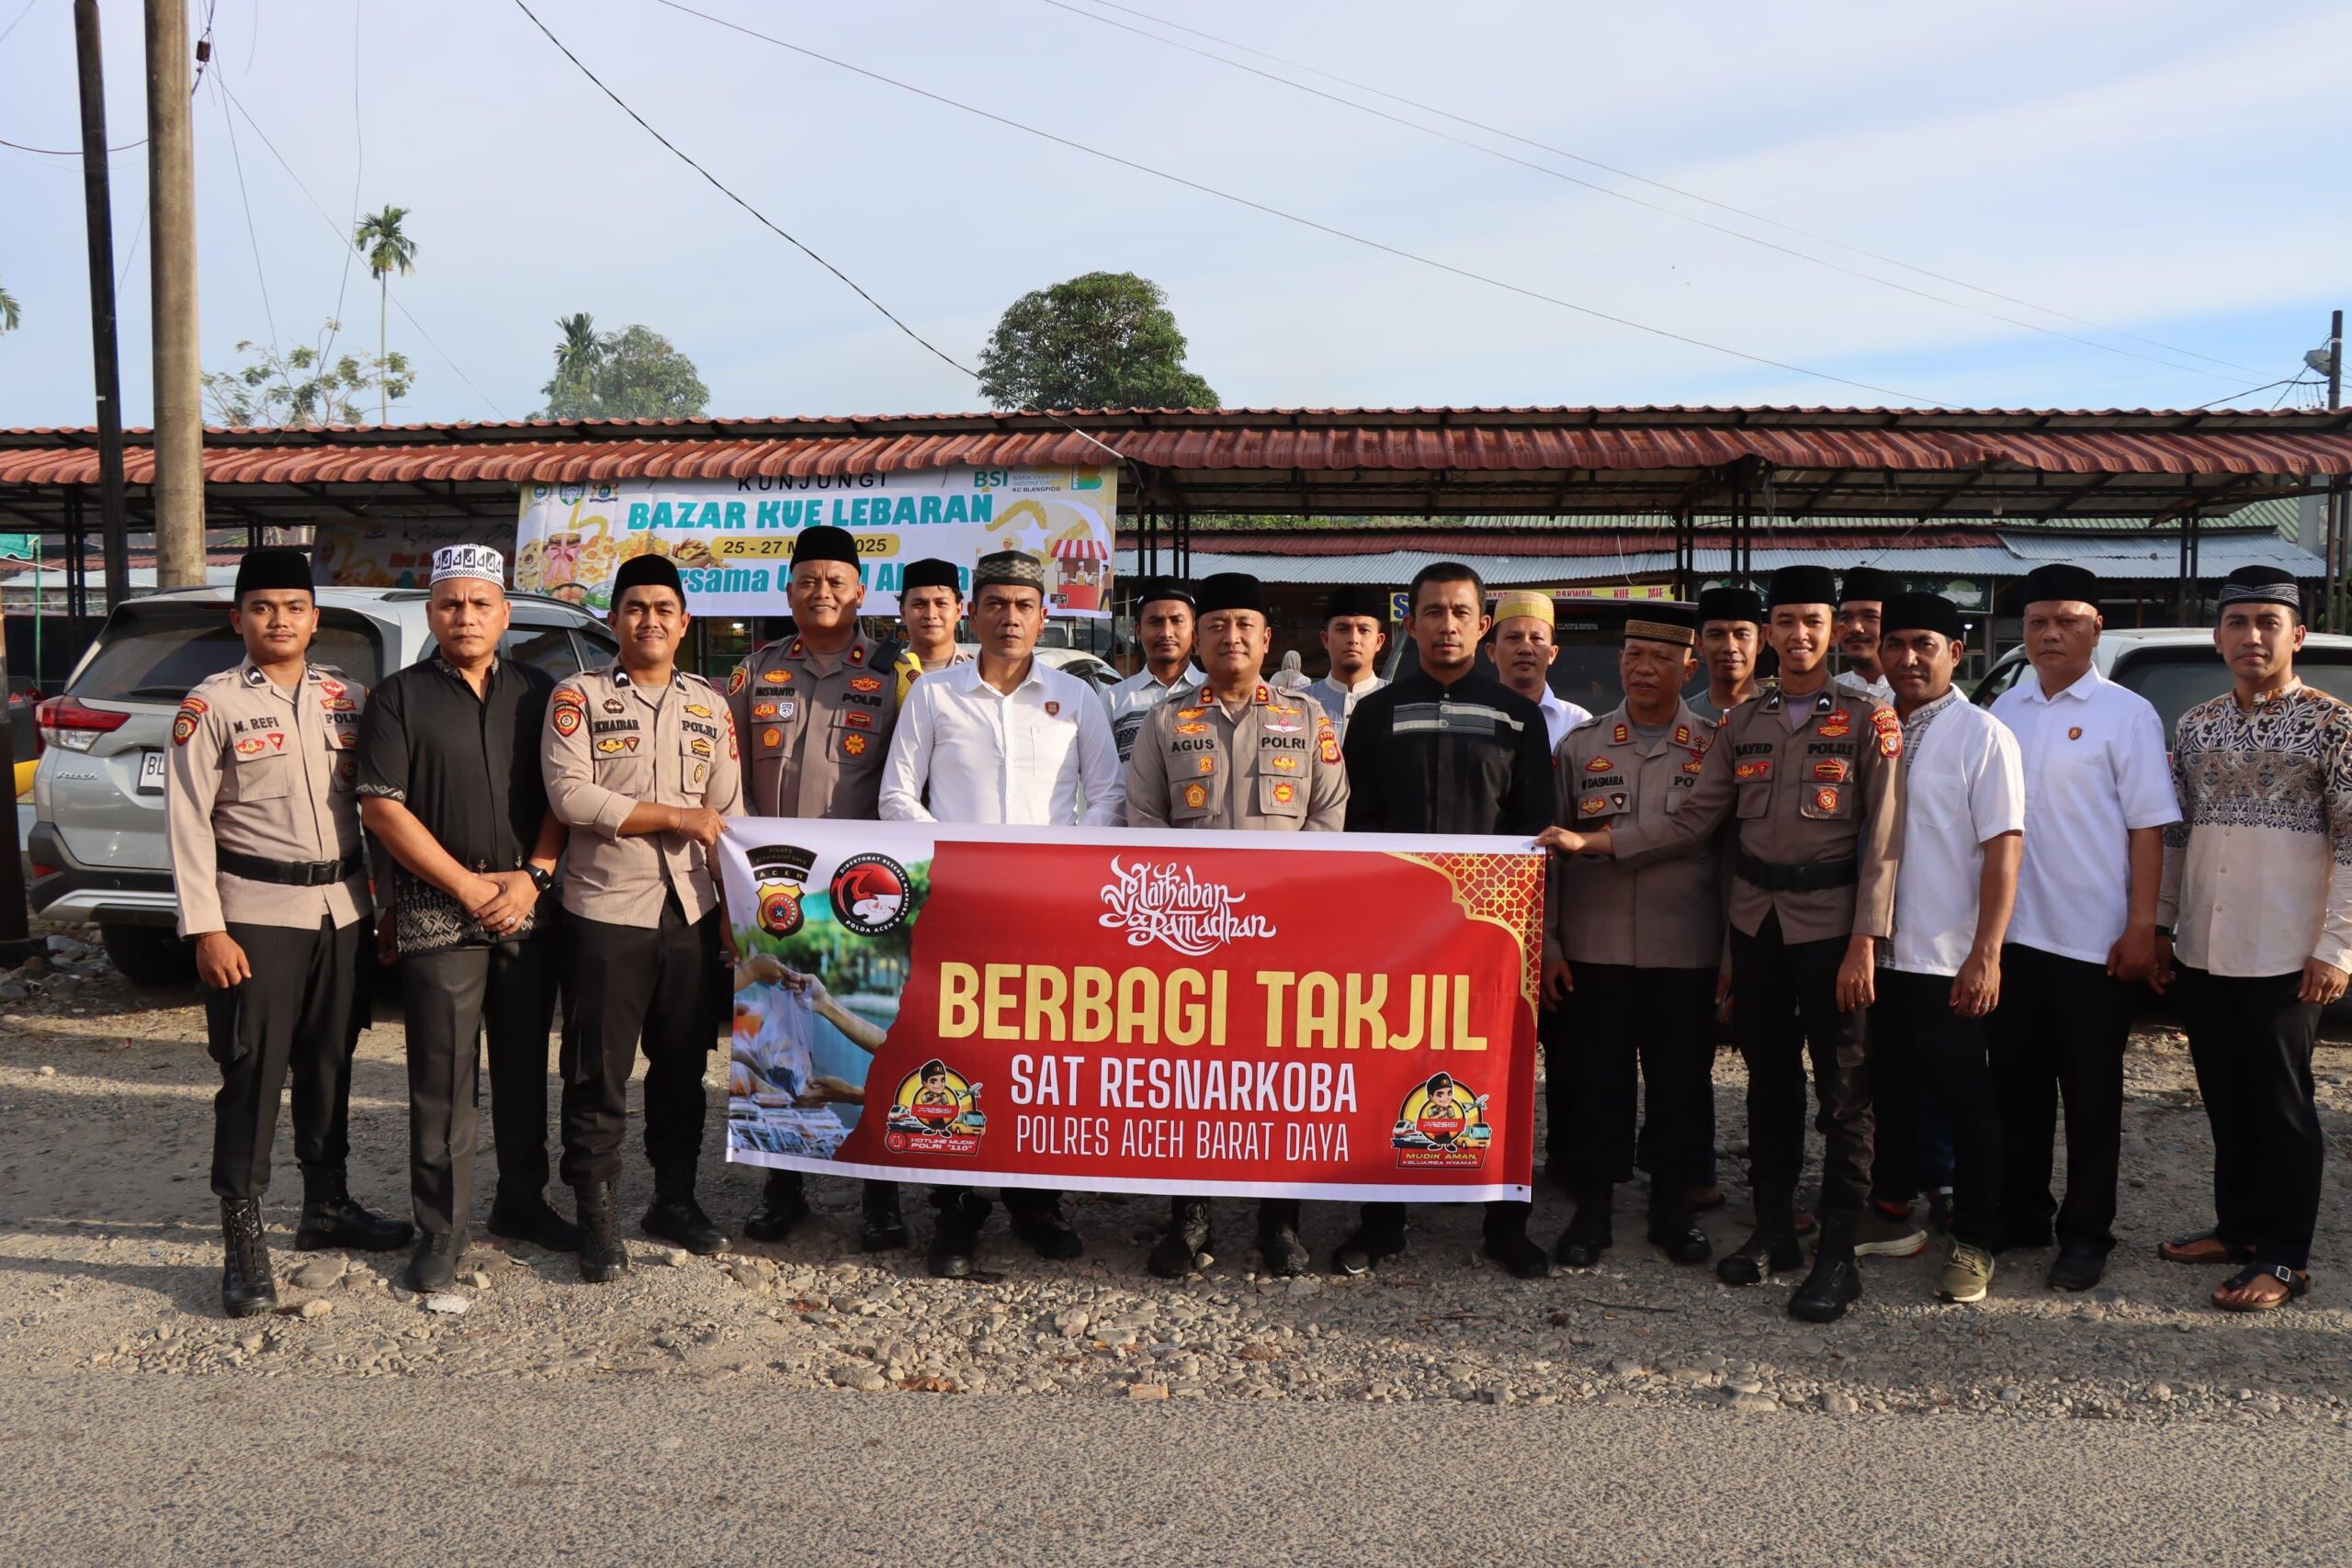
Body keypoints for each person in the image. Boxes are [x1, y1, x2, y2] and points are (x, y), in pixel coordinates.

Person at [1542, 564, 1903, 1323]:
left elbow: (1885, 838)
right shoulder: (1744, 725)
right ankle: (1776, 1231)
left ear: (1833, 631)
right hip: (1758, 922)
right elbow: (1693, 822)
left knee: (1842, 1091)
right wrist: (1595, 844)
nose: (1799, 636)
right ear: (1767, 634)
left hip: (1834, 924)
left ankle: (1837, 1250)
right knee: (1770, 1081)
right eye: (1787, 623)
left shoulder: (1868, 718)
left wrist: (1867, 939)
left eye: (1814, 623)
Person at [166, 547, 411, 1317]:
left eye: (294, 606)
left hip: (340, 909)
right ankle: (242, 1241)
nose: (280, 620)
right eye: (263, 606)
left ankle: (326, 1205)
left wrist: (388, 904)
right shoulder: (210, 707)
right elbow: (186, 826)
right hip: (254, 918)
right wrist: (206, 928)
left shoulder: (349, 696)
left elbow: (374, 811)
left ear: (314, 617)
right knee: (251, 1076)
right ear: (237, 618)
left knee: (330, 1064)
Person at [880, 549, 1124, 1276]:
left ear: (1043, 615)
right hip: (959, 905)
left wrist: (1060, 866)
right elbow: (898, 795)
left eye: (1024, 605)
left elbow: (1107, 795)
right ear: (972, 612)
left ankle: (1035, 1197)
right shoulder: (934, 693)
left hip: (1050, 907)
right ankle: (955, 1205)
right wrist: (956, 862)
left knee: (1039, 1051)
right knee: (954, 1045)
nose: (1010, 617)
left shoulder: (1076, 697)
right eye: (996, 604)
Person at [355, 545, 574, 1293]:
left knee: (521, 1063)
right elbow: (383, 807)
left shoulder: (541, 692)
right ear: (431, 613)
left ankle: (522, 1200)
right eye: (451, 603)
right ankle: (441, 1228)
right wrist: (467, 887)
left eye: (481, 603)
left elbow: (563, 796)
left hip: (527, 905)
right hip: (436, 908)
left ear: (505, 613)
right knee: (443, 1075)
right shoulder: (398, 697)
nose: (466, 616)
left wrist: (534, 877)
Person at [1125, 570, 1348, 1279]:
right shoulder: (1167, 719)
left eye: (1244, 624)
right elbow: (1143, 819)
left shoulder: (1307, 718)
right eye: (1216, 624)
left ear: (1267, 637)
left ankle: (1278, 1220)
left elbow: (1330, 813)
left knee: (1281, 1080)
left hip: (1284, 935)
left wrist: (1284, 898)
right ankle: (1187, 1218)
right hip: (1189, 933)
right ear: (1199, 637)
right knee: (1187, 1080)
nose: (1231, 636)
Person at [1336, 561, 1555, 1280]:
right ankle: (1381, 1218)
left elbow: (1533, 827)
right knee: (1388, 1062)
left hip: (1493, 929)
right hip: (1396, 930)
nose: (1448, 624)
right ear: (1411, 622)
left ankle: (1504, 1221)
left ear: (1482, 625)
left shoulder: (1518, 718)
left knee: (1500, 1067)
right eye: (1433, 612)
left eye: (1462, 612)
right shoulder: (1376, 713)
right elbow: (1359, 822)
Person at [541, 552, 743, 1282]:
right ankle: (598, 1213)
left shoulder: (710, 705)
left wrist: (733, 909)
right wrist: (674, 817)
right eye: (635, 608)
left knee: (684, 1063)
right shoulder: (580, 695)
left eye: (664, 608)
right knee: (597, 1069)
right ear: (614, 619)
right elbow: (571, 796)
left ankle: (674, 1198)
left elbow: (728, 814)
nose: (650, 620)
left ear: (684, 622)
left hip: (691, 907)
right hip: (605, 909)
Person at [2155, 565, 2350, 1312]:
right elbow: (2176, 834)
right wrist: (2165, 925)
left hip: (2286, 953)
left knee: (2283, 1106)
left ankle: (2285, 1258)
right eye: (2237, 622)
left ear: (2297, 635)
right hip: (2206, 945)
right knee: (2225, 1098)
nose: (2252, 636)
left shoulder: (2335, 725)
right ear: (2217, 636)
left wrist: (2337, 947)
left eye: (2268, 622)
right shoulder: (2197, 725)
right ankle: (2237, 1230)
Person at [726, 525, 925, 1252]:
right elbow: (733, 780)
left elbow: (912, 781)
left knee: (870, 1039)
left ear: (860, 591)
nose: (822, 592)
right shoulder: (756, 672)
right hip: (773, 885)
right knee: (777, 1033)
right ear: (788, 589)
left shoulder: (895, 673)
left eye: (837, 581)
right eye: (808, 579)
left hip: (865, 891)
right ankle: (784, 1184)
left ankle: (881, 1193)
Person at [1987, 562, 2178, 1292]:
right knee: (2018, 1086)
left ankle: (2087, 1230)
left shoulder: (2126, 712)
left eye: (2066, 620)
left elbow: (2148, 827)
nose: (2050, 634)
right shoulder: (2007, 708)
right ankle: (2024, 1212)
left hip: (2093, 942)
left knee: (2092, 1096)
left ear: (2096, 627)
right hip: (2015, 935)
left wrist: (2142, 926)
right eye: (2037, 622)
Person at [1544, 604, 1716, 1269]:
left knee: (1680, 1082)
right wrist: (1552, 945)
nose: (1644, 668)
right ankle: (1592, 1211)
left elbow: (1722, 855)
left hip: (1686, 948)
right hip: (1595, 946)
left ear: (1687, 668)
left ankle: (1671, 1209)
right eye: (1633, 656)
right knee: (1598, 1082)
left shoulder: (1712, 745)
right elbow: (1550, 855)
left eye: (1661, 659)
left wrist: (1730, 957)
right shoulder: (1582, 747)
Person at [1871, 592, 2024, 1304]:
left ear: (1955, 653)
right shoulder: (1875, 727)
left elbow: (2004, 847)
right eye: (1895, 643)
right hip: (1880, 953)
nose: (1907, 657)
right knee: (1891, 1089)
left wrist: (1986, 952)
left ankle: (1976, 1239)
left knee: (1967, 1100)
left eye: (1923, 643)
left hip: (1946, 954)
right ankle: (1896, 1213)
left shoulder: (1982, 734)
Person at [1106, 579, 1198, 763]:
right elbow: (1101, 777)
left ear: (1193, 630)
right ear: (1139, 631)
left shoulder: (1215, 694)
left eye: (1177, 621)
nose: (1166, 632)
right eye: (1155, 622)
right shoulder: (1113, 701)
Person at [1491, 591, 1593, 748]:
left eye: (1536, 639)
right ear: (1492, 651)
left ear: (1552, 653)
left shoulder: (1578, 723)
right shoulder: (1469, 718)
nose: (1525, 648)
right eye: (1513, 638)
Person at [1306, 585, 1390, 743]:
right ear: (1325, 639)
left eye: (1364, 630)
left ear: (1379, 642)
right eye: (1343, 629)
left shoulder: (1399, 703)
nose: (1353, 639)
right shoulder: (1301, 704)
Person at [1690, 584, 1766, 724]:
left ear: (1760, 642)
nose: (1730, 647)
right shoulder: (1685, 718)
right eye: (1716, 635)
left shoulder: (1782, 715)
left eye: (1742, 635)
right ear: (1700, 644)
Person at [1833, 566, 1896, 706]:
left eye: (1870, 617)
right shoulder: (1828, 692)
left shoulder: (1919, 696)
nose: (1855, 628)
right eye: (1846, 618)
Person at [898, 557, 970, 674]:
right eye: (919, 604)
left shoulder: (979, 673)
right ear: (903, 613)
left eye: (941, 603)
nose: (930, 614)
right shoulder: (885, 676)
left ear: (958, 611)